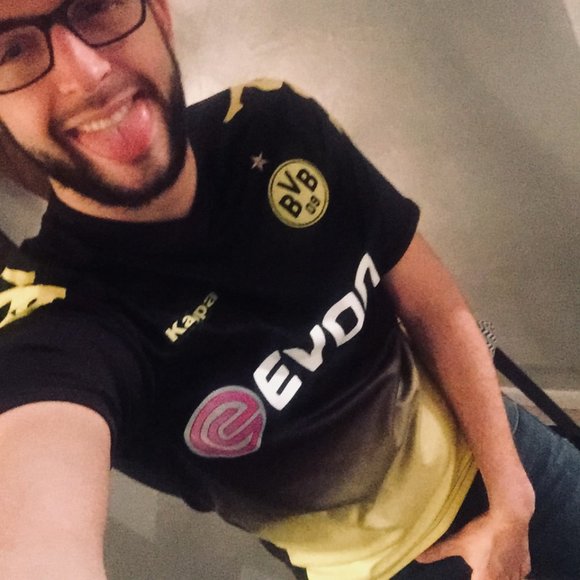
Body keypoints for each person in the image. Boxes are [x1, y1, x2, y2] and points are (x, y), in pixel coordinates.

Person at [0, 1, 578, 579]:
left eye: (96, 5)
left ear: (160, 15)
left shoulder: (276, 125)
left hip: (509, 461)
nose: (86, 75)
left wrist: (512, 496)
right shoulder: (51, 319)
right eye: (11, 49)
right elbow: (38, 526)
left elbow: (432, 306)